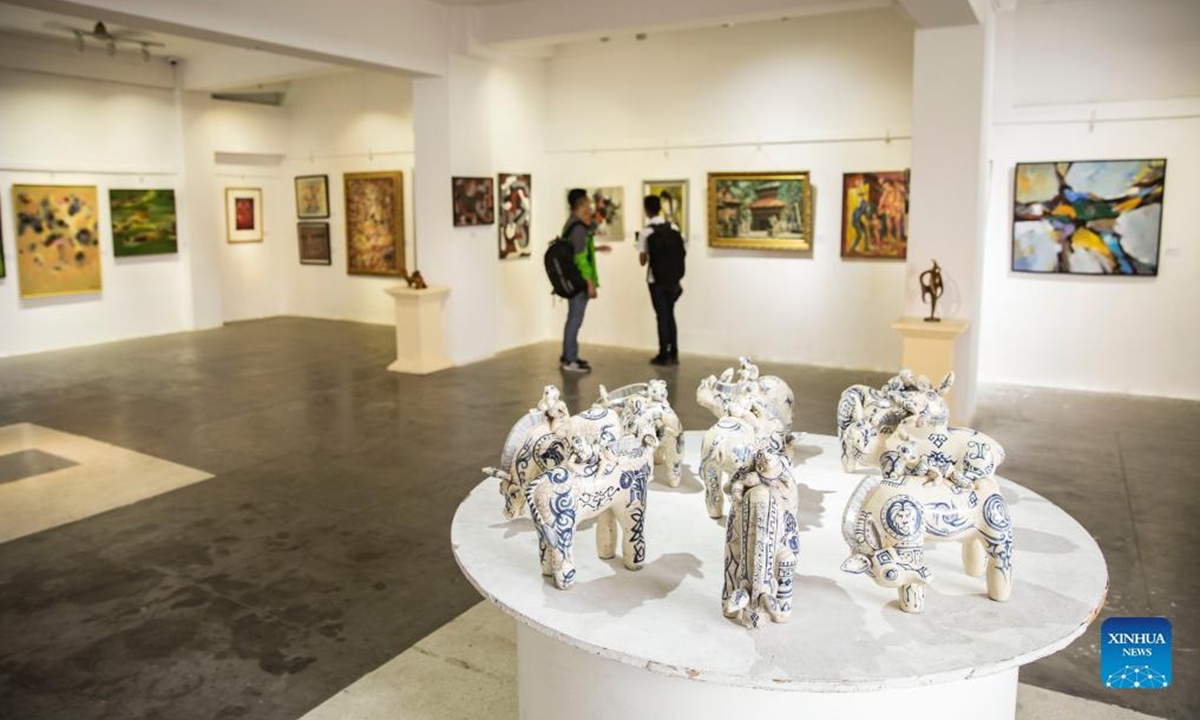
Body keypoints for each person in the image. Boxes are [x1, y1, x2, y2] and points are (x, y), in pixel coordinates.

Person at [561, 188, 611, 373]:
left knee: (573, 318)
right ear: (580, 204)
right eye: (587, 203)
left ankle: (569, 354)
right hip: (579, 281)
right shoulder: (578, 228)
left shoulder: (572, 225)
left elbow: (576, 250)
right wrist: (590, 283)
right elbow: (580, 258)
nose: (589, 206)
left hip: (573, 280)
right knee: (575, 319)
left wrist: (597, 249)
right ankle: (570, 359)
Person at [638, 193, 686, 366]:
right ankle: (674, 352)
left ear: (646, 210)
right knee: (670, 314)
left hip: (655, 280)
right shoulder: (673, 228)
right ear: (659, 207)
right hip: (673, 279)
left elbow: (643, 261)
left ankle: (663, 354)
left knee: (661, 316)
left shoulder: (646, 232)